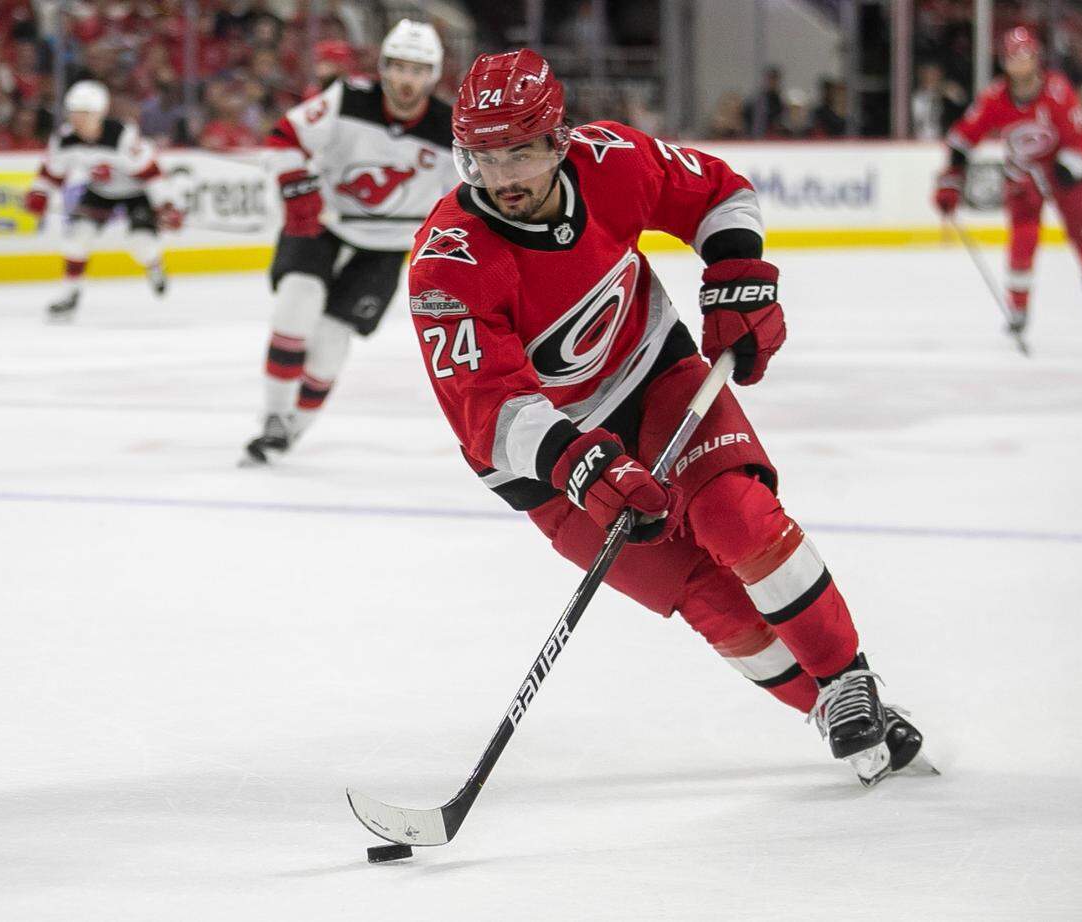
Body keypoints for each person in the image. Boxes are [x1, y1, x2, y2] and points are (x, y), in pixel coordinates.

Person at [407, 49, 930, 786]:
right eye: (483, 159)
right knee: (708, 598)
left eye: (519, 152)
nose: (502, 177)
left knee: (735, 516)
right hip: (543, 459)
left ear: (559, 139)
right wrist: (579, 464)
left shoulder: (612, 161)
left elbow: (717, 192)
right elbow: (487, 409)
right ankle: (830, 707)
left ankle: (848, 681)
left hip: (654, 375)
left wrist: (737, 276)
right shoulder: (448, 263)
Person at [243, 20, 456, 464]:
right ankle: (275, 417)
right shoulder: (347, 97)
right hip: (322, 225)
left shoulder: (448, 129)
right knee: (297, 302)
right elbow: (285, 137)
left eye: (418, 70)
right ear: (384, 67)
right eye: (400, 67)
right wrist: (296, 189)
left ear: (433, 75)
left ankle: (291, 432)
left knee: (330, 341)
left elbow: (464, 200)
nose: (407, 80)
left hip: (385, 247)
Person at [933, 27, 1082, 331]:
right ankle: (1018, 306)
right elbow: (963, 138)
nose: (1020, 63)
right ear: (1005, 62)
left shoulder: (1058, 91)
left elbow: (1078, 137)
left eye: (1026, 55)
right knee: (1022, 240)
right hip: (1023, 174)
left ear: (1036, 58)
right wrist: (950, 179)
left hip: (1064, 172)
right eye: (1013, 57)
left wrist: (1070, 166)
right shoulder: (995, 97)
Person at [22, 80, 184, 321]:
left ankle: (154, 266)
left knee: (141, 244)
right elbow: (51, 174)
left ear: (100, 113)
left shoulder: (122, 135)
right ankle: (70, 294)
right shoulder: (64, 139)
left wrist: (167, 206)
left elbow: (151, 173)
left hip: (136, 193)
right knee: (77, 238)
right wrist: (40, 193)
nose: (77, 119)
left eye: (85, 113)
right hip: (99, 192)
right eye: (73, 112)